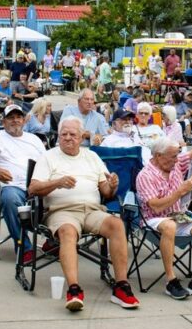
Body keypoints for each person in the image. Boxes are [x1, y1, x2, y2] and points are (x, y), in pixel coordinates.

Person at [28, 116, 139, 311]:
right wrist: (57, 182)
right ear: (58, 137)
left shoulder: (92, 157)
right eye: (64, 134)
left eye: (73, 134)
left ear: (81, 137)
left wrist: (112, 186)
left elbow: (106, 192)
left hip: (92, 210)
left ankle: (121, 286)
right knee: (68, 232)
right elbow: (33, 188)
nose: (68, 138)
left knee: (117, 225)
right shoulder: (49, 157)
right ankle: (74, 289)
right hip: (62, 211)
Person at [135, 136, 192, 300]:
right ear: (158, 156)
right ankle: (171, 280)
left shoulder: (174, 162)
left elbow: (191, 154)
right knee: (169, 226)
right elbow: (156, 206)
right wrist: (180, 192)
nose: (177, 160)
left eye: (177, 155)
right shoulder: (145, 175)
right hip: (154, 218)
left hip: (177, 215)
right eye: (173, 157)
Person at [0, 103, 46, 264]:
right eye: (11, 117)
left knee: (63, 195)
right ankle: (25, 248)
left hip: (35, 185)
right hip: (9, 186)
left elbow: (48, 163)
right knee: (10, 198)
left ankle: (53, 242)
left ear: (24, 120)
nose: (15, 120)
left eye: (18, 117)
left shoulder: (34, 140)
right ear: (3, 122)